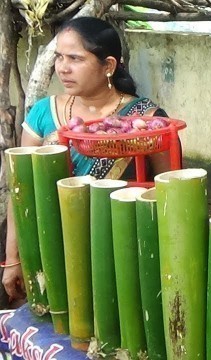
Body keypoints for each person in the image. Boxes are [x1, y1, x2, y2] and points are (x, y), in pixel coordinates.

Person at [2, 17, 172, 302]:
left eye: (75, 58)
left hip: (123, 257)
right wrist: (12, 258)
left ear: (108, 66)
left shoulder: (147, 120)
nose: (62, 67)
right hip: (52, 251)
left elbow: (170, 195)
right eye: (59, 57)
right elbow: (21, 191)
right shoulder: (44, 112)